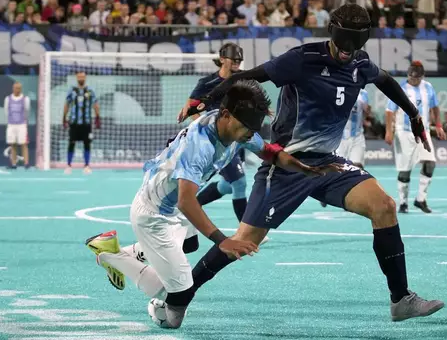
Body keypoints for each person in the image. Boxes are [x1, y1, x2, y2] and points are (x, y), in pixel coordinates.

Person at [181, 3, 445, 323]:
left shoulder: (360, 61)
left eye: (355, 45)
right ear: (333, 33)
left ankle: (401, 299)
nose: (348, 52)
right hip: (285, 163)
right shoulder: (302, 59)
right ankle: (181, 295)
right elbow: (250, 76)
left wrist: (414, 114)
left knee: (385, 206)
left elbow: (385, 80)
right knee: (244, 241)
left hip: (328, 164)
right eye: (344, 44)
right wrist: (204, 99)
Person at [85, 81, 340, 329]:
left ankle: (126, 251)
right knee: (176, 298)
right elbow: (187, 200)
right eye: (248, 127)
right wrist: (222, 240)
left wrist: (305, 169)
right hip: (155, 215)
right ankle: (111, 256)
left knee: (189, 243)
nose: (251, 133)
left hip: (169, 205)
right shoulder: (200, 146)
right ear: (227, 115)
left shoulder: (234, 126)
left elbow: (269, 152)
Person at [177, 43, 254, 230]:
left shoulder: (243, 81)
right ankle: (247, 230)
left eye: (239, 60)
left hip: (238, 141)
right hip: (218, 142)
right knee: (239, 182)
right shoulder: (206, 83)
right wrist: (205, 124)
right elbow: (191, 107)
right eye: (233, 59)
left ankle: (190, 205)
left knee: (228, 185)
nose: (237, 62)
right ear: (222, 59)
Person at [384, 61, 446, 213]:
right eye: (412, 78)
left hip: (422, 132)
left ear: (422, 76)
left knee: (430, 163)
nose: (414, 81)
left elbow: (435, 107)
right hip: (404, 132)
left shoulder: (428, 87)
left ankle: (420, 199)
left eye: (417, 78)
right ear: (408, 75)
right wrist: (389, 131)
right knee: (405, 170)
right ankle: (403, 202)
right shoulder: (400, 88)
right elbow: (389, 111)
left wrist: (438, 125)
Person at [62, 72, 101, 174]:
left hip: (86, 122)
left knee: (86, 144)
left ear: (85, 78)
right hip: (74, 122)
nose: (81, 78)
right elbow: (67, 104)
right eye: (79, 76)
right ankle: (69, 165)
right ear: (76, 78)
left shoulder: (90, 91)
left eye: (82, 76)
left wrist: (97, 117)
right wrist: (64, 117)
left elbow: (95, 104)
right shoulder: (72, 91)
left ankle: (87, 166)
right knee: (71, 143)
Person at [336, 88, 369, 169]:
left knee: (358, 167)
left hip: (357, 137)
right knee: (339, 169)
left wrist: (366, 110)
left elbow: (366, 112)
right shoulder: (336, 89)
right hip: (339, 139)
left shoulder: (363, 93)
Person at [4, 81, 31, 169]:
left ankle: (26, 163)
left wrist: (23, 121)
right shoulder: (8, 99)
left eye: (19, 88)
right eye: (16, 88)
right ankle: (13, 164)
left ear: (21, 89)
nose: (17, 90)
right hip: (11, 125)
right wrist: (11, 121)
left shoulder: (25, 99)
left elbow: (27, 111)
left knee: (24, 144)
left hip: (22, 125)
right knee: (13, 144)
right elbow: (6, 111)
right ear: (13, 88)